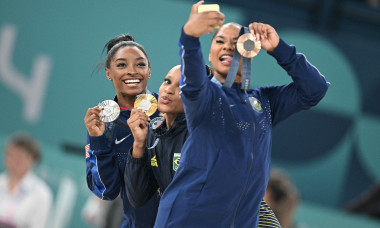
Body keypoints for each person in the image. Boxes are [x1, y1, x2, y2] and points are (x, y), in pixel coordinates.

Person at [154, 1, 329, 227]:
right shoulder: (204, 95)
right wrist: (189, 37)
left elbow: (315, 89)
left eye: (237, 43)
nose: (227, 47)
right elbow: (193, 78)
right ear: (209, 54)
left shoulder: (265, 102)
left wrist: (279, 49)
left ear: (250, 50)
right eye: (220, 41)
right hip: (187, 219)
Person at [125, 65, 281, 227]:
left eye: (182, 87)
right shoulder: (156, 134)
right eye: (167, 81)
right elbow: (138, 197)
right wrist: (139, 144)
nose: (169, 90)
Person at [84, 34, 159, 228]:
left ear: (149, 70)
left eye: (140, 65)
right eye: (122, 65)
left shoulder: (168, 108)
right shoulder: (102, 124)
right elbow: (107, 190)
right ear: (109, 73)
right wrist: (97, 140)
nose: (132, 71)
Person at [0, 132, 53, 228]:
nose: (13, 161)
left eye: (19, 157)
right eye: (10, 155)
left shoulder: (41, 193)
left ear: (31, 159)